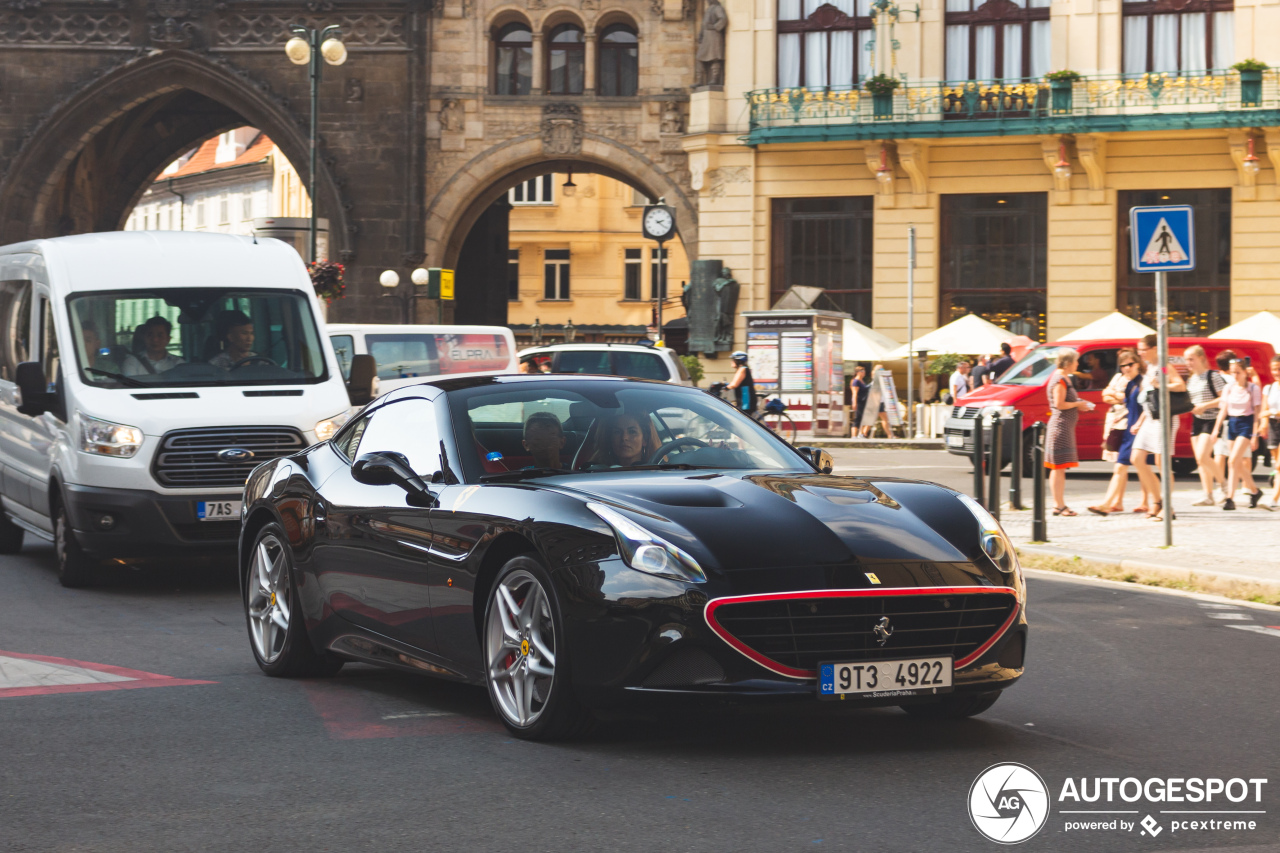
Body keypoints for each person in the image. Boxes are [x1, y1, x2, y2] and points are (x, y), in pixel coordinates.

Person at [1129, 333, 1187, 522]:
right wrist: (1140, 421)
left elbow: (1180, 385)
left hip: (1165, 419)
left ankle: (1167, 506)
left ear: (1154, 348)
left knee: (1162, 462)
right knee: (1137, 458)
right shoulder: (1149, 368)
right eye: (1139, 350)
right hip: (1150, 418)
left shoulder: (1163, 366)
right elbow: (1150, 398)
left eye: (1143, 350)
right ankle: (1157, 501)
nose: (1140, 353)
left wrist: (1162, 384)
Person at [1089, 349, 1144, 515]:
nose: (1126, 368)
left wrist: (1138, 424)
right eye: (1123, 365)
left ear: (1138, 364)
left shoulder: (1141, 382)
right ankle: (1113, 503)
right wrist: (1117, 395)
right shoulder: (1128, 382)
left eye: (1130, 364)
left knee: (1142, 468)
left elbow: (1143, 407)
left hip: (1135, 429)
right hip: (1125, 428)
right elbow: (1105, 395)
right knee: (1122, 466)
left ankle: (1153, 503)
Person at [1210, 357, 1265, 511]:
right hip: (1232, 423)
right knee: (1237, 463)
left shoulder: (1253, 388)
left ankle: (1230, 498)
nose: (1235, 375)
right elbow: (1223, 409)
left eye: (1238, 372)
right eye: (1233, 372)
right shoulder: (1229, 388)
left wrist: (1255, 434)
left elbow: (1256, 413)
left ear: (1245, 372)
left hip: (1246, 423)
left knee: (1232, 460)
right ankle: (1255, 491)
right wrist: (1216, 428)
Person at [1045, 348, 1094, 516]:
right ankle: (1059, 505)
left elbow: (1065, 400)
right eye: (1076, 361)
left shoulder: (1064, 377)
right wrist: (1077, 404)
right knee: (1058, 468)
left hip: (1064, 426)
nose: (1078, 364)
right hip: (1061, 427)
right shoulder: (1060, 379)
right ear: (1068, 363)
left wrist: (1078, 402)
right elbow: (1059, 404)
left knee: (1059, 468)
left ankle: (1059, 504)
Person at [1183, 345, 1227, 506]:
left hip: (1212, 419)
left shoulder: (1212, 376)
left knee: (1203, 456)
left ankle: (1223, 484)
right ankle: (1208, 495)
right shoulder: (1191, 379)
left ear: (1201, 358)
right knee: (1200, 460)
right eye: (1186, 359)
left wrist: (1205, 406)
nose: (1188, 363)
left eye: (1191, 359)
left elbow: (1224, 399)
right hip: (1198, 420)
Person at [593, 411, 660, 468]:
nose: (624, 438)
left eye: (632, 432)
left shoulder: (657, 474)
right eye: (617, 432)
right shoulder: (595, 473)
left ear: (644, 439)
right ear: (610, 438)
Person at [1263, 354, 1280, 508]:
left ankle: (1274, 500)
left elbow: (1269, 411)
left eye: (1279, 369)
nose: (1276, 372)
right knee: (1277, 465)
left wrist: (1271, 412)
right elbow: (1264, 409)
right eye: (1274, 369)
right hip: (1274, 425)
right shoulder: (1270, 387)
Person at [850, 367, 869, 437]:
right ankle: (853, 436)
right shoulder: (856, 381)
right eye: (862, 371)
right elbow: (854, 393)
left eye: (864, 371)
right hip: (859, 402)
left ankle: (861, 434)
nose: (864, 372)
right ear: (858, 372)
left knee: (863, 418)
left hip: (864, 402)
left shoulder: (862, 381)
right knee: (857, 418)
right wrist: (854, 403)